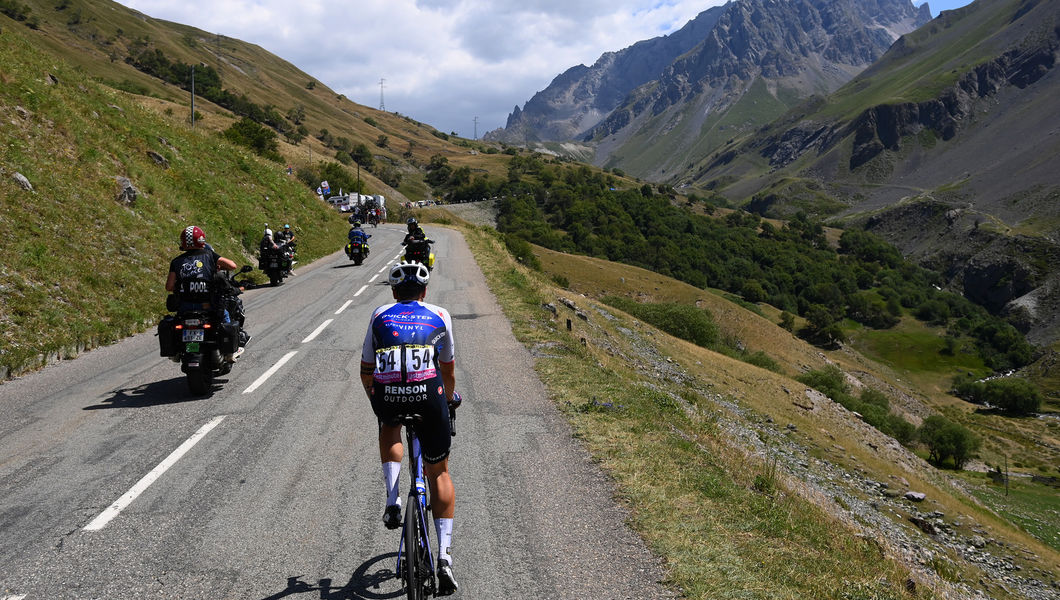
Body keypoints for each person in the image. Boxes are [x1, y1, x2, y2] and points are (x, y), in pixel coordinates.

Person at [360, 261, 462, 595]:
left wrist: (378, 401)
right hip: (428, 396)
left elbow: (366, 369)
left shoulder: (378, 314)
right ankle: (444, 557)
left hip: (389, 393)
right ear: (425, 291)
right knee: (439, 473)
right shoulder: (441, 314)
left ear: (393, 293)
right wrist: (448, 401)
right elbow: (447, 371)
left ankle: (393, 500)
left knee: (389, 428)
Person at [165, 226, 242, 360]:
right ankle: (230, 352)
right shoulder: (209, 255)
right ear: (201, 240)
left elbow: (169, 286)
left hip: (185, 307)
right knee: (225, 316)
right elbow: (232, 265)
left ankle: (175, 353)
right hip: (208, 305)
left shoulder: (176, 262)